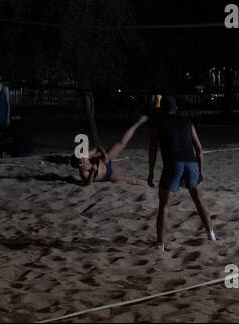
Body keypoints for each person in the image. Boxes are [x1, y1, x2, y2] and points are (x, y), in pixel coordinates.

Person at [146, 96, 215, 249]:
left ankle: (160, 244)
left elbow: (152, 150)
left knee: (164, 205)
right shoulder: (187, 122)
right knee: (198, 200)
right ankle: (211, 235)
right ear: (176, 108)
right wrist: (201, 171)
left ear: (161, 109)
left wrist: (151, 172)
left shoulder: (158, 123)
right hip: (191, 163)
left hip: (173, 163)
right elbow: (199, 149)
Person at [72, 115, 148, 185]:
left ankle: (138, 123)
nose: (84, 157)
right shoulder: (84, 173)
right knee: (132, 180)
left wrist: (105, 155)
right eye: (81, 159)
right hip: (108, 174)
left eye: (82, 156)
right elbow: (87, 183)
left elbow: (98, 148)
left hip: (107, 159)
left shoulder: (85, 156)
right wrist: (92, 171)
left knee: (121, 143)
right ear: (80, 165)